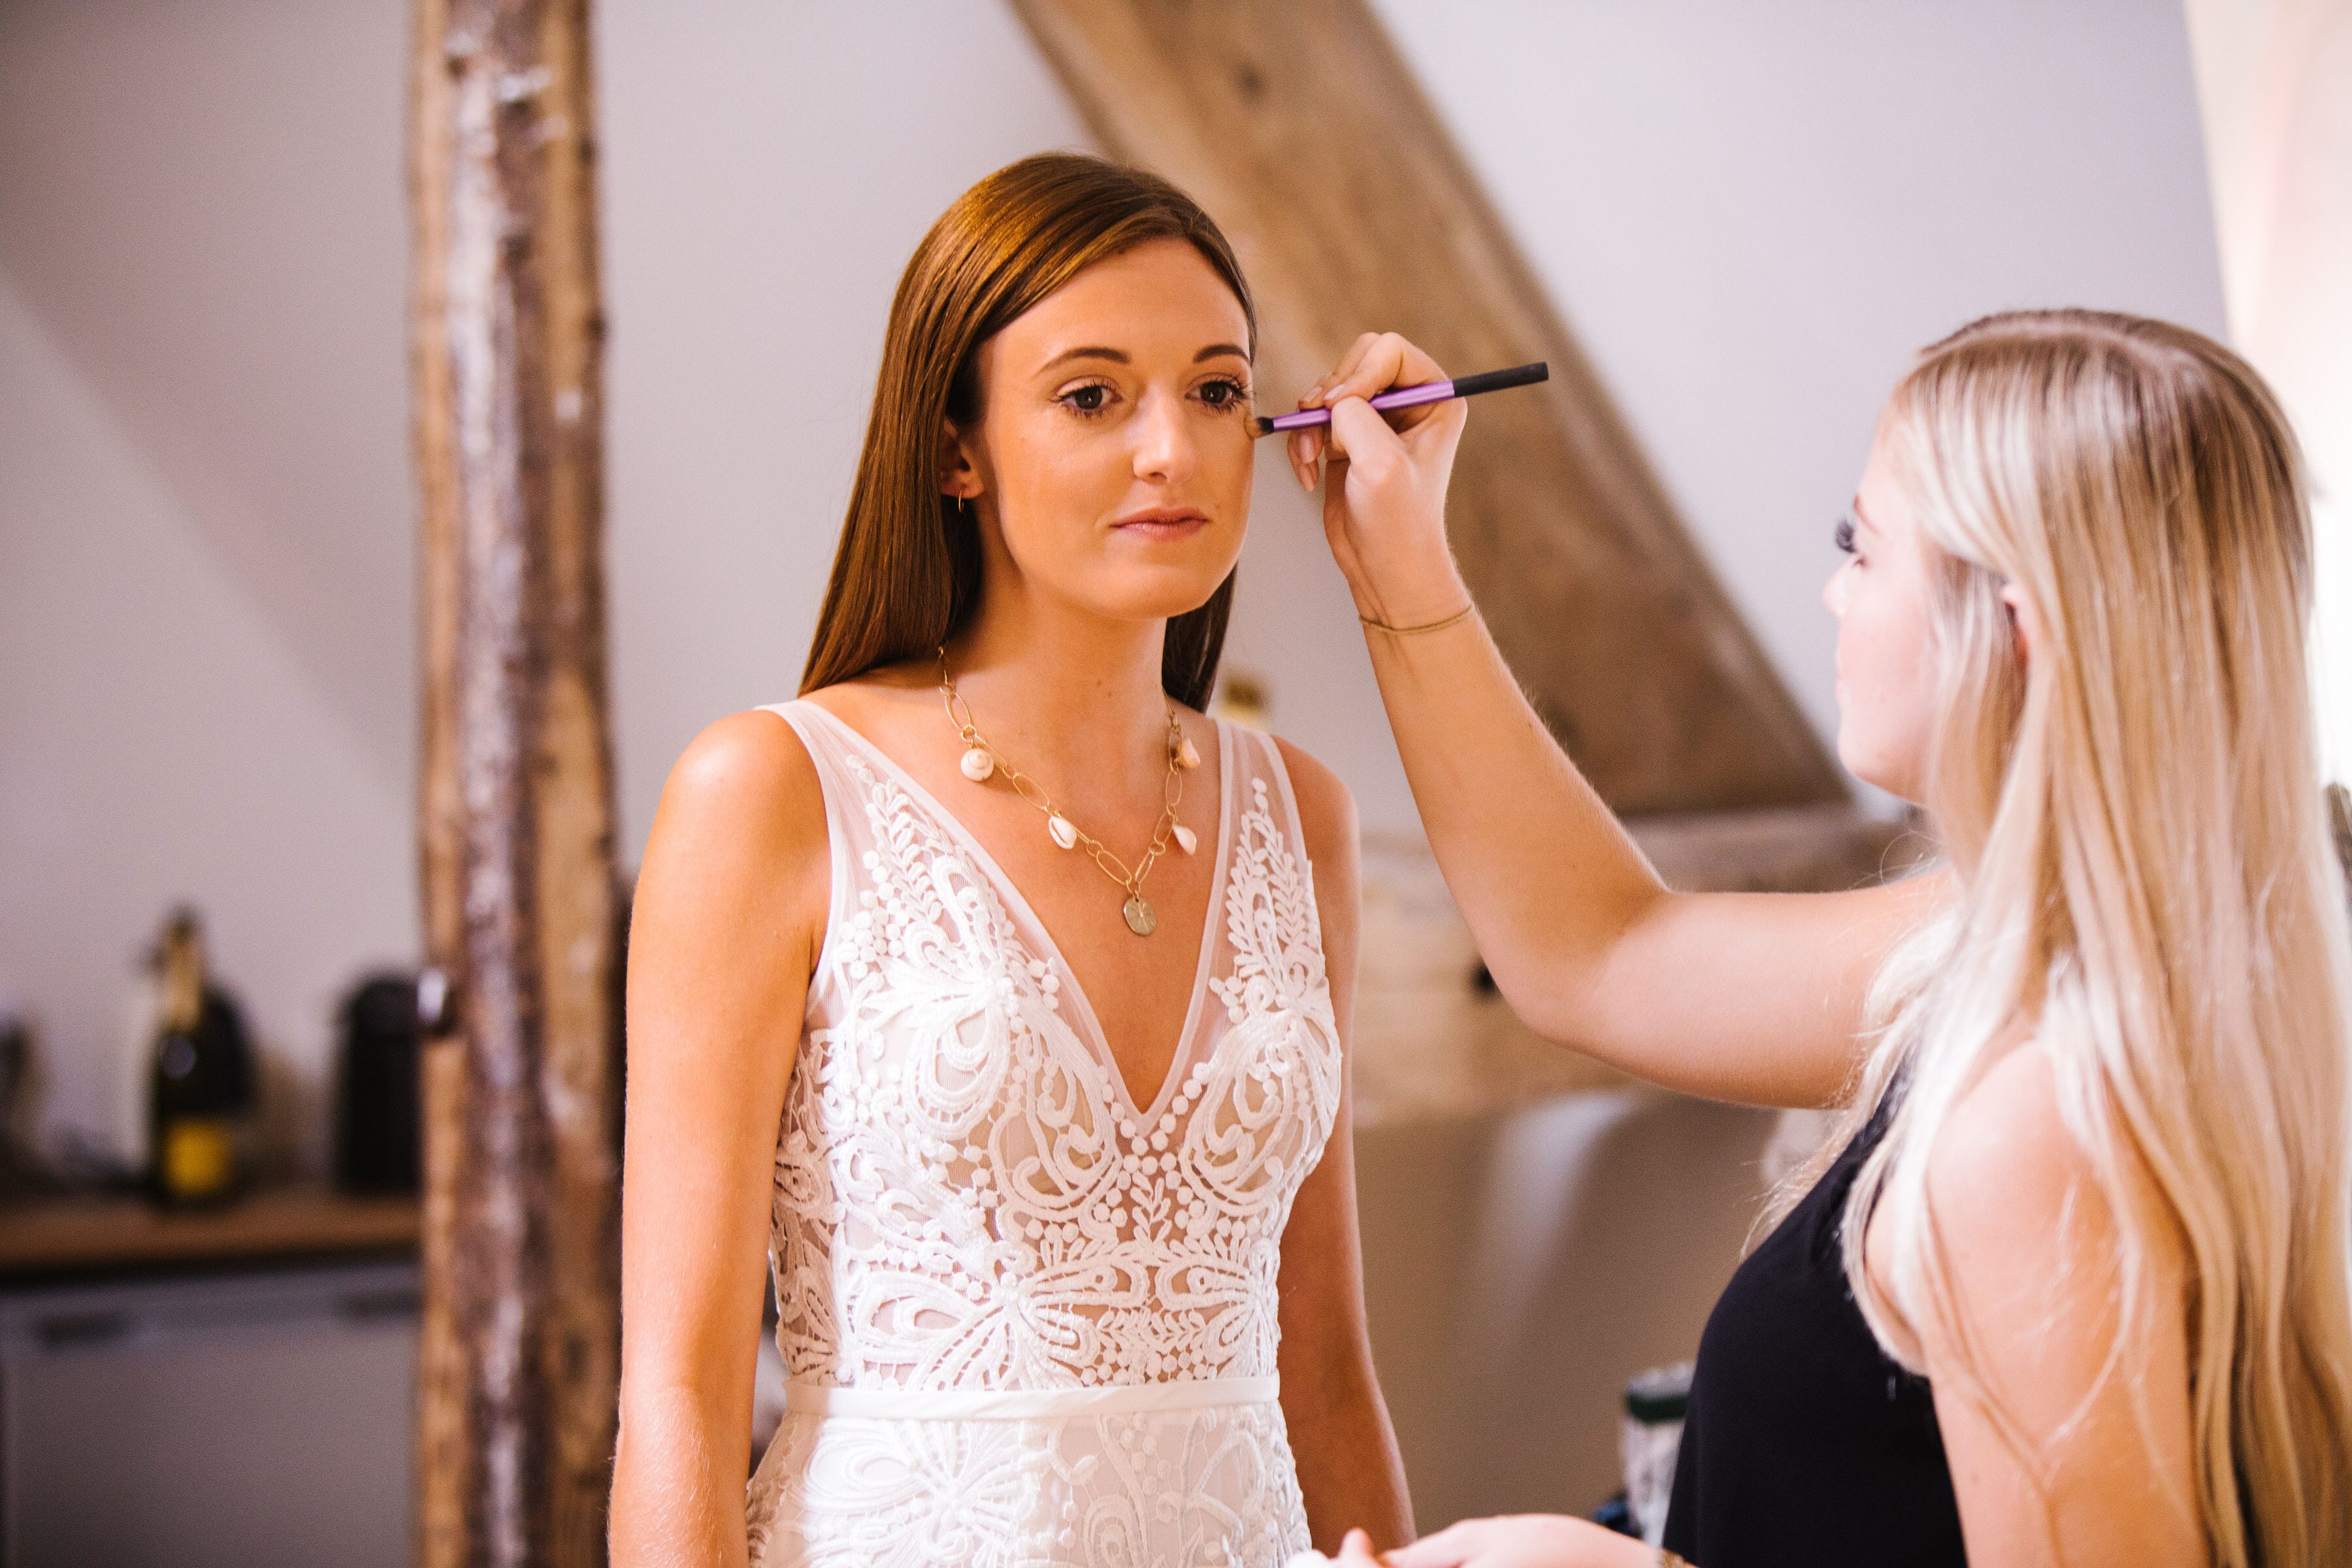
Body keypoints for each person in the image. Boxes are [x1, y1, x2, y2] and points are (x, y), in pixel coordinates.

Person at [1291, 315, 2352, 1567]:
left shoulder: (2035, 1134)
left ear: (2015, 629)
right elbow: (1604, 954)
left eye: (1863, 545)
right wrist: (1402, 570)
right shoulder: (2139, 966)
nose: (1832, 591)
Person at [608, 154, 1411, 1568]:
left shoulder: (1305, 818)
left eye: (1217, 390)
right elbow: (677, 1391)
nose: (1171, 447)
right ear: (954, 449)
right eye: (1094, 395)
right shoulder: (770, 794)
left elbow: (1328, 1368)